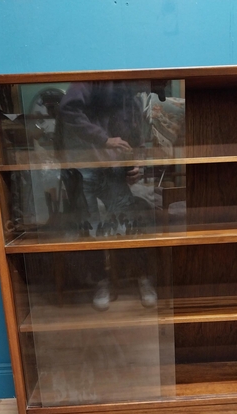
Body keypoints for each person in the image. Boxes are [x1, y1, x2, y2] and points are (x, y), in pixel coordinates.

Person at [55, 79, 167, 311]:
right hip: (83, 165)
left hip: (112, 168)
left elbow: (133, 136)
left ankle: (142, 277)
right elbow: (67, 109)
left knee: (130, 223)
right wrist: (103, 139)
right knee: (91, 225)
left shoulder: (132, 97)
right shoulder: (92, 80)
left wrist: (134, 166)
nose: (146, 90)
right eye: (150, 85)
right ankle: (101, 281)